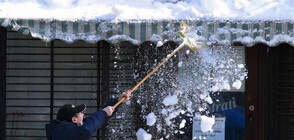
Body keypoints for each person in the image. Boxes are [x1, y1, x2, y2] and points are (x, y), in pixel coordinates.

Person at [45, 90, 131, 140]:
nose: (83, 114)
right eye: (80, 113)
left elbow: (95, 121)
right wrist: (103, 112)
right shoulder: (63, 132)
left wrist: (118, 101)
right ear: (74, 120)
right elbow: (87, 129)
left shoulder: (71, 129)